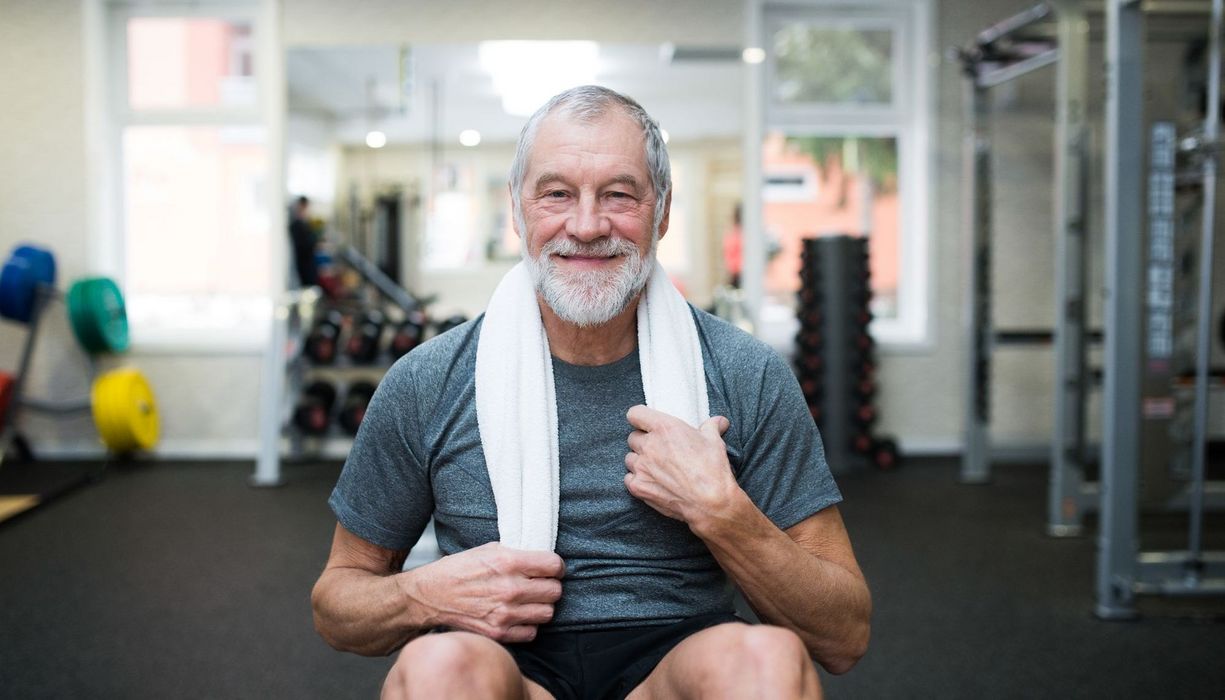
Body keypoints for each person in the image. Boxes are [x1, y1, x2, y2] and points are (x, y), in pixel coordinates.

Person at [311, 85, 870, 699]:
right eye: (556, 194)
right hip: (506, 668)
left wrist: (723, 513)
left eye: (619, 195)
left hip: (677, 666)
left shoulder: (744, 374)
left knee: (766, 661)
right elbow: (338, 605)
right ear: (517, 209)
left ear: (661, 211)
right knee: (438, 670)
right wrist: (424, 592)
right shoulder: (428, 381)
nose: (585, 225)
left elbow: (843, 636)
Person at [289, 195, 320, 288]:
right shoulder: (296, 225)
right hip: (305, 266)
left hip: (307, 264)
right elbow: (306, 245)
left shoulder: (302, 223)